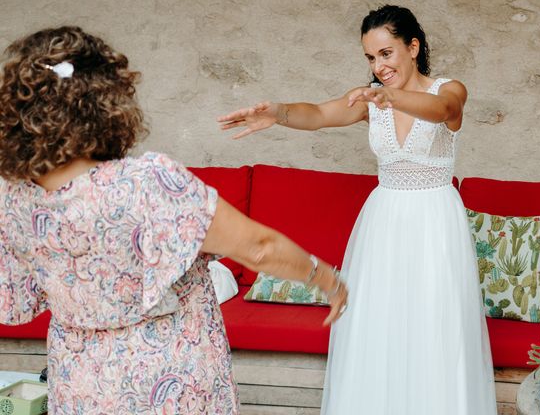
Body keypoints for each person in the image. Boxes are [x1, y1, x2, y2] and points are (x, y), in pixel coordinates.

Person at [0, 26, 347, 415]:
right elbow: (259, 247)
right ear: (103, 102)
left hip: (80, 382)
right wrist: (326, 279)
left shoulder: (12, 197)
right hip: (167, 382)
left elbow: (15, 298)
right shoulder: (146, 183)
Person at [218, 5, 497, 414]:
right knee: (377, 328)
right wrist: (277, 114)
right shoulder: (370, 101)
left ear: (413, 47)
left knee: (435, 327)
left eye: (386, 54)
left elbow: (443, 112)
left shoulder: (448, 90)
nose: (378, 66)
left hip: (435, 222)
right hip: (383, 222)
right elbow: (317, 114)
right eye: (370, 57)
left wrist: (390, 96)